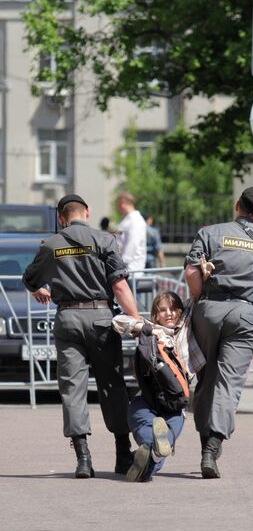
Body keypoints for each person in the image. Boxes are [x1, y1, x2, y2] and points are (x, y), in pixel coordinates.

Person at [22, 194, 140, 479]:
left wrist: (40, 289)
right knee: (112, 384)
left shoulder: (52, 245)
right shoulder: (104, 240)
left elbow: (30, 278)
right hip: (100, 318)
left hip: (67, 319)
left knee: (72, 388)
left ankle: (83, 459)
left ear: (62, 218)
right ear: (86, 213)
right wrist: (136, 321)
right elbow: (120, 287)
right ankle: (123, 455)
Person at [184, 186, 253, 479]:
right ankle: (212, 446)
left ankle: (204, 442)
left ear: (237, 205)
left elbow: (191, 272)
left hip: (209, 309)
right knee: (229, 381)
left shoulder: (210, 232)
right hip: (246, 314)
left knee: (207, 377)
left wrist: (199, 299)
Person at [125, 291, 186, 482]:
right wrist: (140, 326)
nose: (169, 313)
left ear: (181, 312)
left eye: (173, 309)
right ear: (155, 316)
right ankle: (153, 453)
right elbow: (118, 321)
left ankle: (147, 457)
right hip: (147, 399)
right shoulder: (151, 332)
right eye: (162, 310)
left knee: (163, 437)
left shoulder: (187, 335)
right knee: (143, 422)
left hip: (174, 405)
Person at [116, 191, 147, 273]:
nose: (117, 207)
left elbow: (132, 245)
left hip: (130, 271)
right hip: (125, 270)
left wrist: (118, 264)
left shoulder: (135, 220)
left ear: (122, 203)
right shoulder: (128, 219)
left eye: (117, 204)